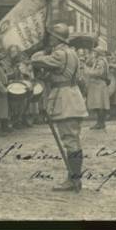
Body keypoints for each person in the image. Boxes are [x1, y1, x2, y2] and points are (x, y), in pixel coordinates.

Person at [31, 23, 88, 192]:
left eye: (50, 37)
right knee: (73, 140)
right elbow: (55, 73)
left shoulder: (60, 53)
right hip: (73, 96)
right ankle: (74, 178)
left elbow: (35, 59)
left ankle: (73, 180)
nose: (48, 39)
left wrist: (41, 50)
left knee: (70, 141)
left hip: (65, 99)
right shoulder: (71, 53)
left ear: (56, 38)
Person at [85, 46, 110, 130]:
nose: (93, 53)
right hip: (98, 84)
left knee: (99, 104)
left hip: (98, 84)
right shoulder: (98, 60)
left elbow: (99, 72)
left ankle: (100, 123)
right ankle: (100, 122)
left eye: (95, 52)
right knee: (99, 104)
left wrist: (88, 71)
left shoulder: (101, 62)